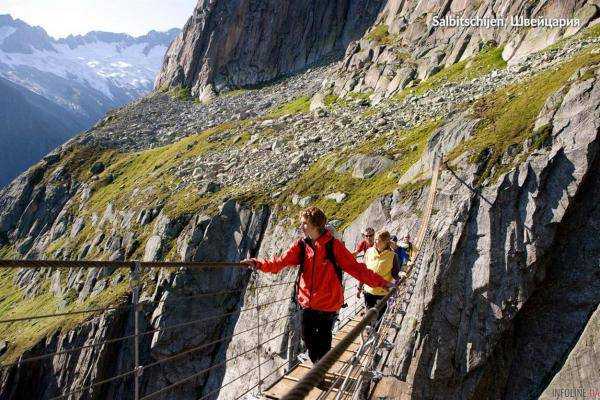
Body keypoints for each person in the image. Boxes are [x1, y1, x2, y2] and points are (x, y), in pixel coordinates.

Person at [241, 207, 392, 364]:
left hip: (328, 304)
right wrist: (256, 263)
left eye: (305, 223)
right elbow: (279, 262)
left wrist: (383, 283)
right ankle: (318, 364)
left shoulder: (333, 246)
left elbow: (356, 269)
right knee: (307, 336)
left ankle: (319, 369)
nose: (301, 226)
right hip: (308, 303)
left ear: (315, 225)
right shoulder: (301, 246)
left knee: (324, 340)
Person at [357, 230, 401, 329]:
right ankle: (369, 335)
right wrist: (359, 288)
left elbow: (395, 274)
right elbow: (363, 271)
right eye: (376, 239)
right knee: (368, 317)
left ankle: (375, 336)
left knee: (380, 317)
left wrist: (400, 277)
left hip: (382, 293)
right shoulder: (369, 251)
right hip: (368, 291)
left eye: (379, 240)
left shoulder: (393, 256)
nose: (376, 242)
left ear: (386, 242)